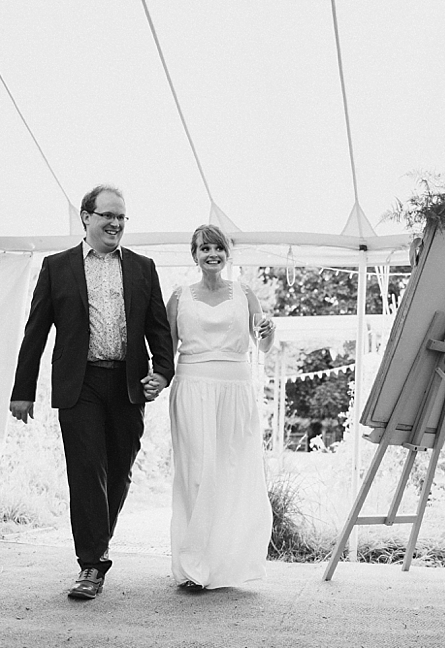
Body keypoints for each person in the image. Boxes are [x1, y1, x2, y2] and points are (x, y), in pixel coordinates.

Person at [9, 185, 174, 600]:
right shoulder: (57, 267)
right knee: (86, 471)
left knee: (118, 472)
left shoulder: (142, 267)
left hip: (127, 384)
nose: (115, 223)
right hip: (78, 383)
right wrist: (22, 390)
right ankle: (91, 564)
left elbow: (158, 327)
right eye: (107, 216)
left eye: (121, 217)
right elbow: (35, 332)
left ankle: (97, 544)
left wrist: (163, 372)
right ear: (86, 217)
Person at [166, 224, 274, 590]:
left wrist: (269, 331)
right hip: (192, 388)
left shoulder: (245, 293)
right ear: (194, 255)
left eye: (218, 248)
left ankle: (227, 563)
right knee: (197, 473)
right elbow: (165, 350)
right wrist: (154, 381)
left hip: (235, 389)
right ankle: (193, 565)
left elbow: (263, 344)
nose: (212, 254)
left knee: (233, 471)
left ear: (227, 254)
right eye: (204, 248)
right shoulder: (180, 297)